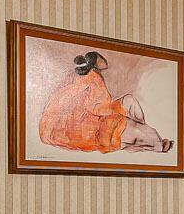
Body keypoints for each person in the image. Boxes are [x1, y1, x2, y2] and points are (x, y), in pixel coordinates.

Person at [37, 51, 173, 154]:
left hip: (87, 125)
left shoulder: (81, 78)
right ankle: (158, 144)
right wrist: (119, 108)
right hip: (93, 127)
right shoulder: (93, 79)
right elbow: (97, 108)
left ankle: (154, 141)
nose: (104, 60)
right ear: (95, 63)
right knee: (133, 117)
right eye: (100, 58)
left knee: (134, 121)